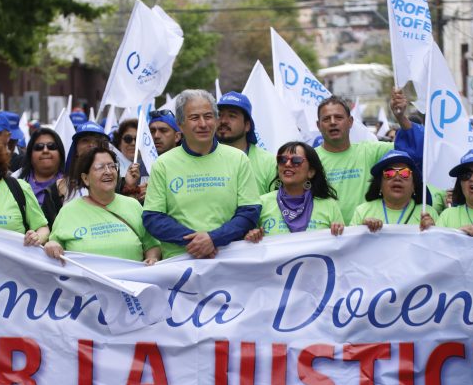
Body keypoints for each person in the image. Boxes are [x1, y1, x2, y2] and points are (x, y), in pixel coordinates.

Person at [143, 89, 261, 259]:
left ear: (216, 120)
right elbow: (153, 218)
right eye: (194, 118)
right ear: (180, 124)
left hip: (230, 260)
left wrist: (214, 239)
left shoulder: (238, 159)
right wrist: (197, 242)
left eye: (208, 116)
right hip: (179, 263)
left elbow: (249, 212)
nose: (203, 124)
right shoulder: (163, 164)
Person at [315, 91, 423, 224]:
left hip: (366, 235)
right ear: (318, 125)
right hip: (326, 238)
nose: (332, 122)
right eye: (326, 119)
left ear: (350, 122)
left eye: (338, 117)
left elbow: (415, 148)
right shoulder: (309, 160)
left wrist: (400, 117)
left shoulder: (371, 151)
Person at [44, 147, 161, 264]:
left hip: (131, 281)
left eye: (112, 166)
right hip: (85, 282)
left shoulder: (133, 205)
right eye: (100, 167)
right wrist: (52, 245)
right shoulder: (68, 212)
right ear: (85, 178)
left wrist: (153, 258)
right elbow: (54, 247)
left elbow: (152, 244)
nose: (108, 172)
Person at [244, 141, 344, 241]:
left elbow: (342, 247)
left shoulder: (329, 205)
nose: (287, 164)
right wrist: (250, 236)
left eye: (296, 160)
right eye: (282, 159)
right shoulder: (261, 203)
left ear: (311, 172)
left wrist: (338, 231)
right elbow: (246, 245)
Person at [350, 150, 437, 231]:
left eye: (405, 173)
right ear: (379, 184)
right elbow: (352, 245)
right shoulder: (362, 211)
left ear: (414, 185)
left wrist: (433, 231)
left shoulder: (428, 213)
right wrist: (362, 230)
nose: (397, 178)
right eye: (389, 173)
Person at [216, 91, 277, 195]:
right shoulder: (205, 157)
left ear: (247, 125)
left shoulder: (269, 162)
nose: (223, 121)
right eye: (219, 115)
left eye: (232, 116)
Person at [18, 128, 65, 226]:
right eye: (39, 147)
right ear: (30, 154)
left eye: (51, 146)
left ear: (60, 153)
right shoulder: (15, 183)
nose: (45, 150)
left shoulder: (73, 185)